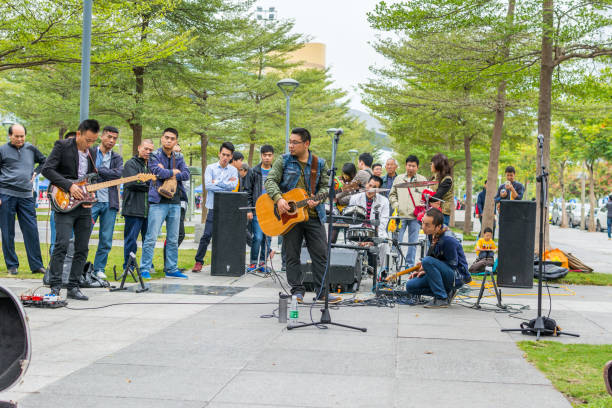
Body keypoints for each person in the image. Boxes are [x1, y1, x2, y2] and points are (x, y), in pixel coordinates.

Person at [264, 127, 340, 303]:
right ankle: (297, 291)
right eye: (289, 142)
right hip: (289, 217)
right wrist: (279, 199)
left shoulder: (319, 163)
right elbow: (270, 181)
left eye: (295, 142)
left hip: (314, 215)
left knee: (320, 254)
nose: (290, 145)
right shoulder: (283, 161)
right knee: (291, 255)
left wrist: (318, 199)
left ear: (306, 144)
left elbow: (325, 187)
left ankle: (322, 292)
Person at [41, 119, 100, 300]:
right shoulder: (62, 146)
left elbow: (90, 180)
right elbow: (47, 169)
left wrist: (91, 196)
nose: (90, 144)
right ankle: (55, 286)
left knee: (82, 248)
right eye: (87, 140)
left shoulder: (92, 153)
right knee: (61, 245)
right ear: (79, 133)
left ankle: (73, 286)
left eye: (93, 141)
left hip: (84, 206)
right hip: (63, 202)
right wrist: (68, 186)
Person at [140, 128, 190, 280]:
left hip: (175, 201)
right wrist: (174, 172)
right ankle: (145, 268)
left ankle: (171, 268)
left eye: (172, 138)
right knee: (151, 237)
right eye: (166, 137)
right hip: (157, 201)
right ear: (162, 139)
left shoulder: (179, 156)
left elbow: (186, 174)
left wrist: (169, 171)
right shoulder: (154, 155)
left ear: (176, 141)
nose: (169, 140)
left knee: (173, 238)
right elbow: (156, 172)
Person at [0, 123, 47, 275]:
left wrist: (36, 171)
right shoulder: (2, 150)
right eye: (17, 136)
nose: (20, 139)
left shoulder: (31, 148)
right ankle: (12, 265)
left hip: (27, 196)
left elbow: (45, 161)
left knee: (31, 230)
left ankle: (36, 265)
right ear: (10, 136)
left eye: (22, 136)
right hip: (6, 194)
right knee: (8, 231)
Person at [405, 209, 470, 308]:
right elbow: (432, 258)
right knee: (410, 286)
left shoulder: (448, 240)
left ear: (438, 226)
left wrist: (429, 266)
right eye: (423, 223)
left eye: (428, 225)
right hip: (444, 272)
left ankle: (441, 298)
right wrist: (425, 269)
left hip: (456, 276)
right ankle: (447, 292)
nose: (423, 227)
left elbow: (452, 265)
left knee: (427, 261)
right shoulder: (433, 234)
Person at [192, 142, 238, 272]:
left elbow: (233, 186)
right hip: (213, 207)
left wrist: (216, 182)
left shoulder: (233, 170)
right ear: (219, 154)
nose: (225, 157)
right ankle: (198, 261)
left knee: (226, 236)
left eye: (228, 155)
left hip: (227, 208)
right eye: (223, 154)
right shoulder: (210, 168)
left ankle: (224, 262)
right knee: (207, 235)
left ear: (231, 157)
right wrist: (224, 183)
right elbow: (208, 186)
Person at [90, 126, 123, 280]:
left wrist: (99, 170)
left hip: (109, 202)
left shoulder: (117, 158)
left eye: (114, 138)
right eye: (109, 137)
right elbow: (86, 173)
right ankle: (79, 267)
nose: (111, 140)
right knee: (83, 236)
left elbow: (118, 174)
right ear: (101, 136)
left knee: (106, 238)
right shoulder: (90, 152)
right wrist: (105, 172)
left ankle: (99, 268)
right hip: (90, 201)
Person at [389, 155, 428, 268]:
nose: (411, 168)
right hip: (400, 216)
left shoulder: (422, 180)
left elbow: (426, 196)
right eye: (409, 165)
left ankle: (409, 264)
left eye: (413, 166)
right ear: (405, 166)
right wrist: (397, 205)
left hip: (415, 216)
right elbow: (392, 194)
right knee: (397, 241)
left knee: (413, 242)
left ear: (417, 167)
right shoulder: (399, 178)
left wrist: (422, 208)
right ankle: (395, 263)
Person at [121, 139, 155, 271]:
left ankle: (147, 265)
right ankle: (128, 267)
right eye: (145, 149)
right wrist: (151, 185)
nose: (148, 152)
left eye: (150, 150)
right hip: (133, 209)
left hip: (150, 210)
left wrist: (147, 183)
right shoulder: (131, 163)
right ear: (139, 148)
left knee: (148, 240)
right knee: (131, 240)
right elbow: (132, 183)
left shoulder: (153, 165)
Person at [348, 175, 390, 273]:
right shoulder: (354, 198)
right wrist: (359, 238)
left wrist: (373, 239)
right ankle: (352, 274)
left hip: (375, 232)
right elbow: (351, 220)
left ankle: (383, 273)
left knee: (384, 245)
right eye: (370, 185)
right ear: (366, 184)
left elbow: (383, 223)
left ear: (378, 190)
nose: (371, 189)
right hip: (357, 231)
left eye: (374, 187)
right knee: (348, 246)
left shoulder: (384, 201)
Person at [246, 144, 274, 272]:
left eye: (269, 155)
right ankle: (252, 263)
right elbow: (248, 191)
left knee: (267, 238)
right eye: (265, 155)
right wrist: (249, 209)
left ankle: (262, 264)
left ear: (272, 156)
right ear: (261, 156)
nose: (267, 158)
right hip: (257, 210)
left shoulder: (276, 172)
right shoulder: (254, 171)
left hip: (272, 211)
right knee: (257, 237)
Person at [163, 143, 188, 272]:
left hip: (182, 201)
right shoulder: (168, 164)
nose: (178, 153)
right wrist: (175, 173)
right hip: (171, 201)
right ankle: (168, 263)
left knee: (177, 234)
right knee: (177, 234)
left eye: (180, 151)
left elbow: (186, 175)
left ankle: (170, 263)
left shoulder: (181, 163)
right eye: (176, 151)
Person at [429, 153, 453, 225]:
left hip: (442, 213)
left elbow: (437, 196)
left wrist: (426, 199)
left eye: (432, 163)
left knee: (440, 235)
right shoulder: (434, 178)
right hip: (432, 211)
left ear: (437, 164)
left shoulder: (447, 179)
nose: (431, 165)